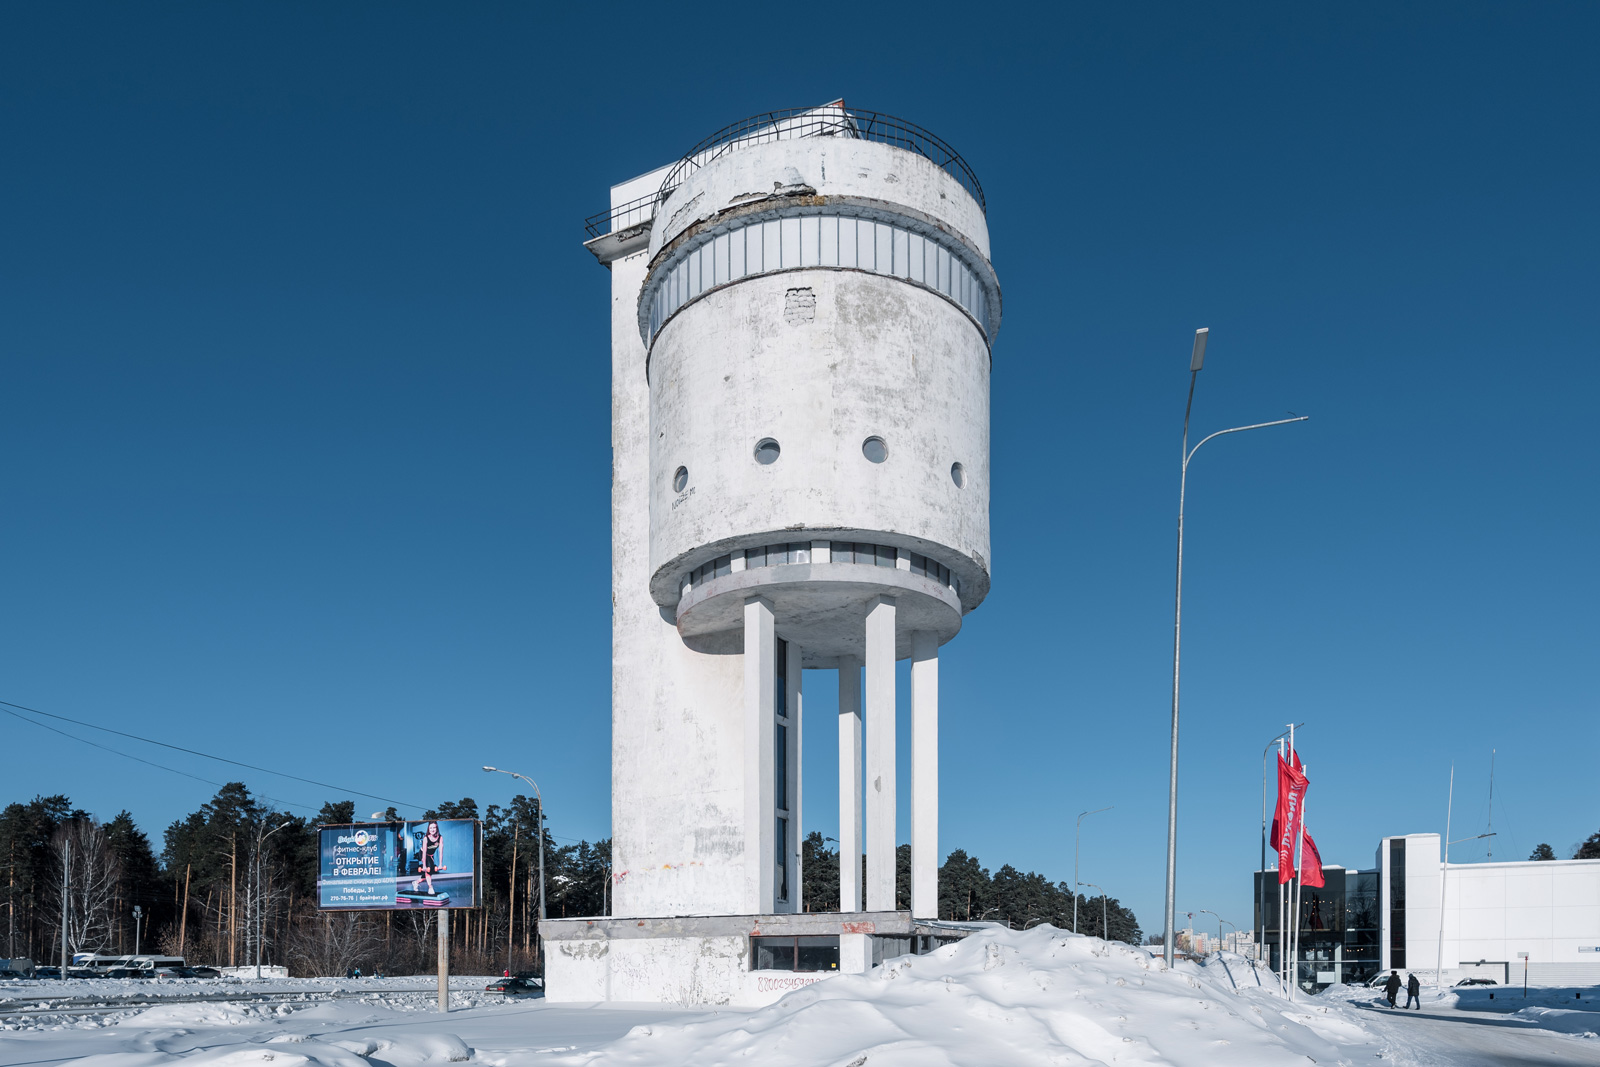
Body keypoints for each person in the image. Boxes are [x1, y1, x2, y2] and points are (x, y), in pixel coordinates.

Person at [412, 821, 446, 894]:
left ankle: (416, 882)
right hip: (423, 854)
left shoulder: (440, 837)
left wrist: (440, 864)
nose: (432, 829)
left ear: (437, 828)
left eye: (434, 827)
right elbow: (424, 853)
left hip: (430, 856)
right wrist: (424, 865)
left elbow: (441, 852)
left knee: (430, 871)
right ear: (428, 829)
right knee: (428, 869)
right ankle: (430, 887)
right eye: (430, 828)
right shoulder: (426, 838)